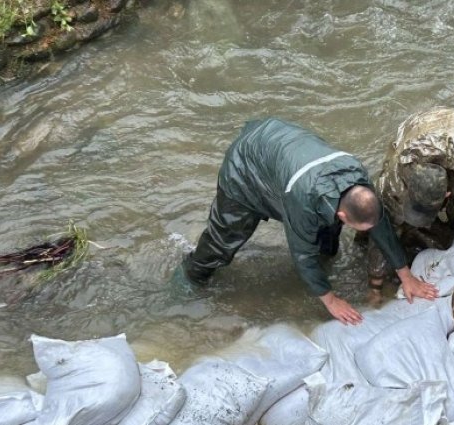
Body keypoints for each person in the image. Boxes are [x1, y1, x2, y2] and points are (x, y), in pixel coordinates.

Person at [181, 117, 437, 325]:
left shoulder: (358, 180)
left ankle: (324, 265)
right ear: (343, 215)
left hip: (288, 152)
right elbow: (301, 254)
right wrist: (331, 300)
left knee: (327, 244)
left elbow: (378, 223)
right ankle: (189, 277)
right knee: (223, 241)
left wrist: (406, 275)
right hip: (247, 165)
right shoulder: (302, 201)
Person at [365, 107, 454, 296]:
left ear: (446, 196)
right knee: (393, 220)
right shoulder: (396, 181)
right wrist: (375, 283)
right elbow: (382, 227)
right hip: (418, 127)